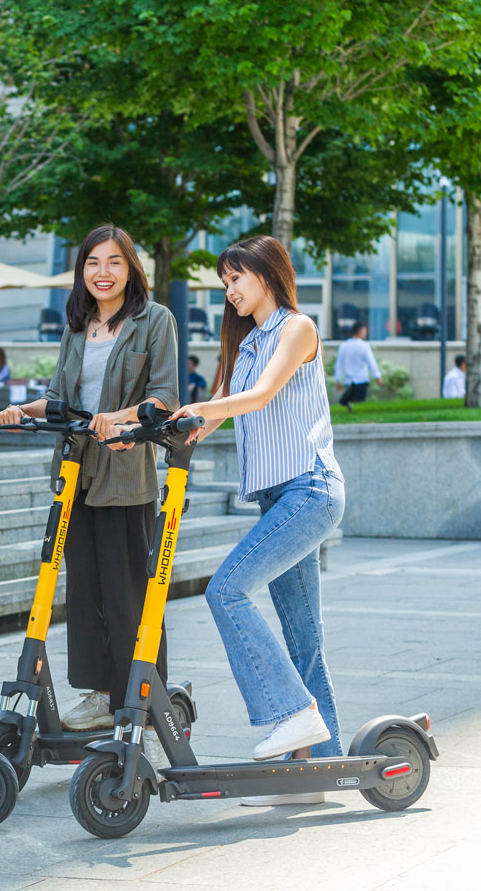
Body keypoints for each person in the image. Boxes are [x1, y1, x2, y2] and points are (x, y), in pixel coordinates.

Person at [165, 235, 345, 807]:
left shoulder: (297, 328)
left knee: (226, 590)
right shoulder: (245, 345)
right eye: (225, 283)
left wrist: (206, 409)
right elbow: (222, 404)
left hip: (310, 491)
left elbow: (262, 397)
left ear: (266, 274)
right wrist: (149, 426)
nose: (230, 290)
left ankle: (290, 713)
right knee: (303, 639)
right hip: (279, 500)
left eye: (235, 278)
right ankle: (319, 768)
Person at [0, 224, 178, 770]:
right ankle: (100, 695)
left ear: (131, 269)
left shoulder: (155, 321)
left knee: (127, 594)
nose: (103, 272)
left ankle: (141, 703)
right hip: (76, 473)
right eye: (93, 262)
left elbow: (165, 396)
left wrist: (120, 418)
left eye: (114, 262)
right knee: (85, 589)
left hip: (125, 474)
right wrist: (20, 412)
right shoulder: (76, 328)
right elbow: (58, 399)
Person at [333, 322, 381, 411]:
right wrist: (377, 376)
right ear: (361, 331)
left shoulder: (344, 346)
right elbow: (371, 362)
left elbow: (339, 364)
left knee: (349, 404)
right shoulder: (364, 346)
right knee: (359, 404)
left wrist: (338, 380)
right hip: (362, 379)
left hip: (349, 380)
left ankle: (351, 417)